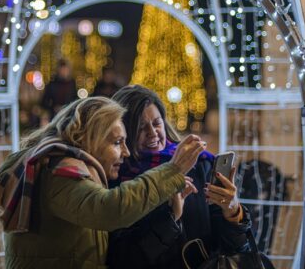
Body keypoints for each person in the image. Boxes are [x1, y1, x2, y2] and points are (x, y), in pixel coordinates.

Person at [0, 96, 207, 269]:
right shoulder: (56, 172)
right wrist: (173, 170)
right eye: (117, 142)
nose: (126, 152)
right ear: (89, 139)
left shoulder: (75, 170)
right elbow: (110, 209)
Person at [107, 85, 250, 269]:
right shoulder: (117, 177)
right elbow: (123, 259)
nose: (152, 133)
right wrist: (172, 217)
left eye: (157, 123)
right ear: (123, 133)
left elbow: (235, 249)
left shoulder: (200, 166)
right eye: (141, 127)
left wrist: (233, 212)